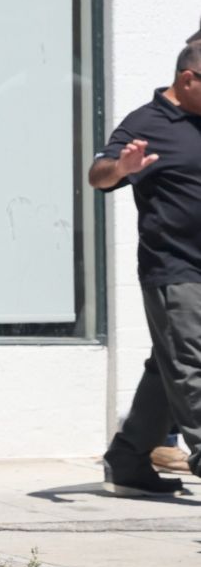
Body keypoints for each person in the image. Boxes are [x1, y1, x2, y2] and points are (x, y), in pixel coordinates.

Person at [89, 41, 201, 495]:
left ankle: (129, 459)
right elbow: (98, 174)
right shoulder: (146, 123)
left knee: (167, 367)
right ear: (188, 79)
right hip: (176, 268)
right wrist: (122, 166)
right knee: (191, 366)